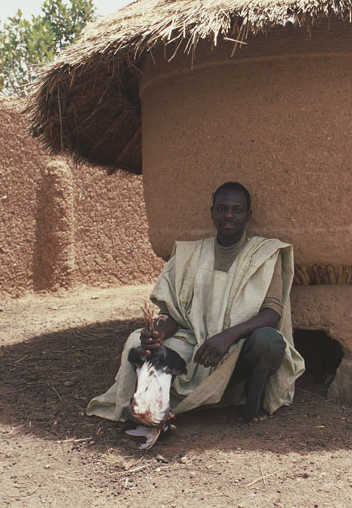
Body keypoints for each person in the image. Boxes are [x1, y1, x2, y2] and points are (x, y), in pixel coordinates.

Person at [87, 182, 304, 424]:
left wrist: (227, 337)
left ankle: (251, 408)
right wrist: (156, 334)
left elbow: (272, 313)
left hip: (236, 350)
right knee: (138, 341)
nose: (229, 215)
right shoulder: (189, 255)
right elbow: (171, 314)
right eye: (222, 209)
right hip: (194, 347)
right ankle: (150, 409)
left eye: (237, 209)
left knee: (269, 340)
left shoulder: (265, 254)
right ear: (212, 212)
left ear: (248, 215)